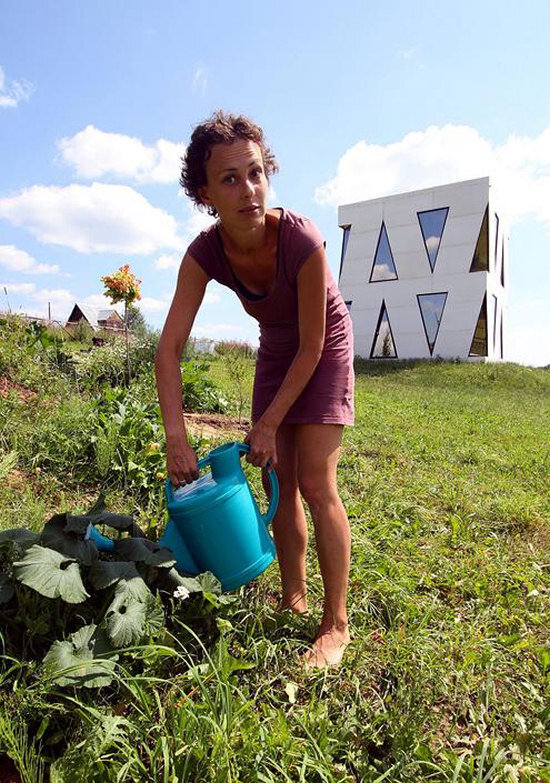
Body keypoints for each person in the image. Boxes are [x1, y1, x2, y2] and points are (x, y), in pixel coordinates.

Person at [155, 111, 354, 668]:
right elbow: (167, 349)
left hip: (324, 342)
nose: (249, 190)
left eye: (256, 172)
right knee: (278, 481)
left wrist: (268, 422)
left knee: (314, 480)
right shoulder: (205, 254)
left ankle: (336, 625)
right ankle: (294, 597)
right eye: (230, 179)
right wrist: (177, 436)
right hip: (275, 348)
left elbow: (313, 345)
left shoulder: (301, 239)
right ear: (204, 193)